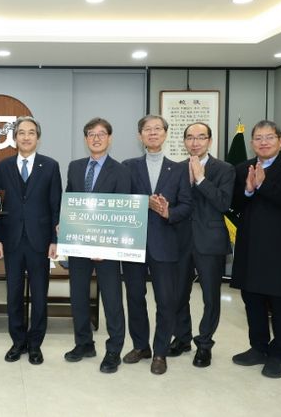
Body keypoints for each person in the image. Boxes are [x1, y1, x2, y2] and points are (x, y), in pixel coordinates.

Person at [230, 120, 281, 379]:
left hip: (279, 248)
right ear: (252, 142)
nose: (263, 142)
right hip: (249, 245)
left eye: (269, 137)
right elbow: (233, 204)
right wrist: (248, 190)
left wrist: (264, 186)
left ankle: (279, 355)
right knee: (251, 299)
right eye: (258, 138)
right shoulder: (242, 168)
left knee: (279, 302)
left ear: (280, 140)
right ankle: (258, 347)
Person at [121, 114, 192, 375]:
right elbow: (121, 200)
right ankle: (141, 347)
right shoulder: (128, 166)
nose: (152, 133)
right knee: (135, 297)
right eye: (147, 129)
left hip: (165, 244)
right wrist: (144, 204)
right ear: (140, 135)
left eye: (157, 129)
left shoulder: (179, 169)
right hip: (134, 243)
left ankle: (160, 352)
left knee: (166, 301)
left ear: (165, 134)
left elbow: (187, 205)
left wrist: (167, 212)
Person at [63, 118, 131, 373]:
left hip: (108, 248)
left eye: (101, 134)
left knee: (112, 300)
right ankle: (84, 343)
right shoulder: (75, 167)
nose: (96, 138)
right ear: (85, 139)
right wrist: (64, 226)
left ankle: (114, 350)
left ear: (109, 138)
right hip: (79, 244)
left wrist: (105, 247)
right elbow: (70, 200)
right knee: (78, 296)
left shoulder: (121, 171)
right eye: (91, 134)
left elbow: (123, 209)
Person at [0, 116, 62, 365]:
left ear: (38, 138)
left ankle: (35, 344)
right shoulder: (2, 167)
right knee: (13, 295)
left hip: (40, 242)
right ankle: (18, 342)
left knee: (39, 296)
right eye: (21, 133)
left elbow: (56, 205)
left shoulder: (50, 166)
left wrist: (55, 240)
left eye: (31, 132)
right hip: (11, 241)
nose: (26, 137)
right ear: (15, 138)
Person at [169, 122, 235, 368]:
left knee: (210, 297)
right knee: (178, 295)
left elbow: (223, 203)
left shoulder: (225, 169)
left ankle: (204, 344)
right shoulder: (175, 169)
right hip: (180, 241)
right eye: (190, 137)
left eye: (200, 137)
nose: (195, 142)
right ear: (184, 141)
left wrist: (200, 179)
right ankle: (182, 338)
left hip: (210, 241)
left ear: (210, 140)